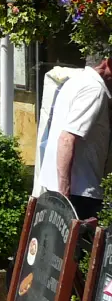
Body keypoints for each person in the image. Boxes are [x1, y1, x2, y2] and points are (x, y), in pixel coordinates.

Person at [39, 53, 112, 220]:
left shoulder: (73, 82)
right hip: (78, 193)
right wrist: (64, 196)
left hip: (57, 188)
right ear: (107, 63)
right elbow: (66, 138)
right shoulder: (94, 89)